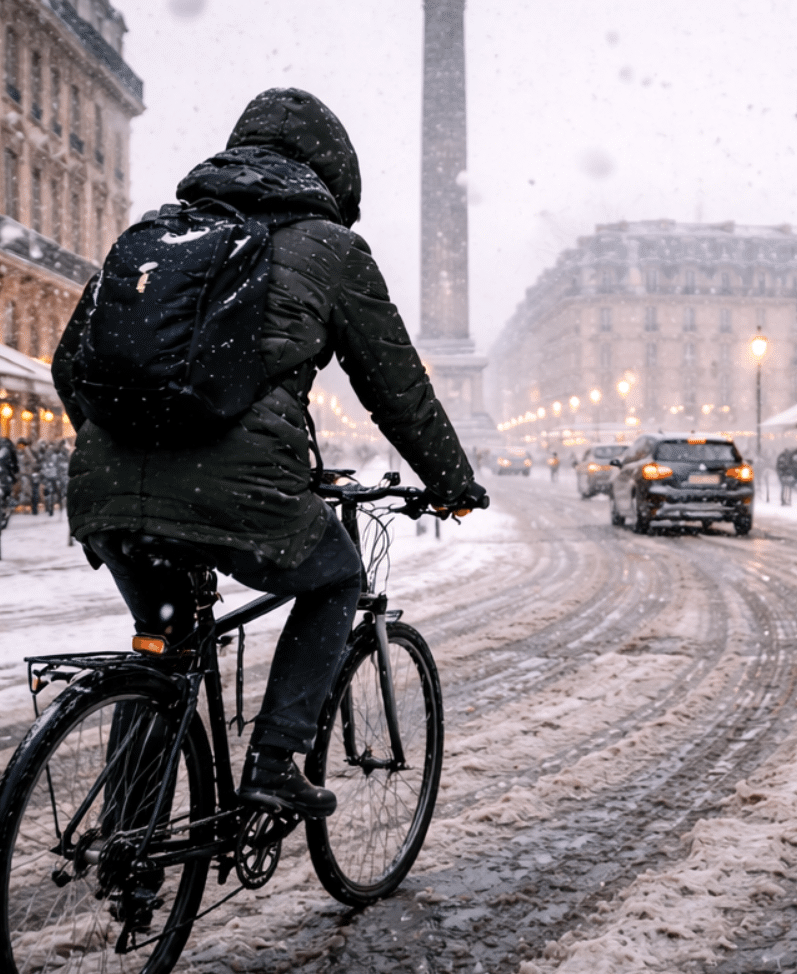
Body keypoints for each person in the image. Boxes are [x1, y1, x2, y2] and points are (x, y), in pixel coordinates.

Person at [54, 88, 486, 820]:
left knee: (164, 639)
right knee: (333, 579)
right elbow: (398, 388)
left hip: (105, 486)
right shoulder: (330, 246)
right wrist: (453, 482)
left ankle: (128, 844)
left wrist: (131, 445)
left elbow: (72, 365)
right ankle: (276, 760)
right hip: (238, 489)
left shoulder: (161, 232)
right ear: (330, 174)